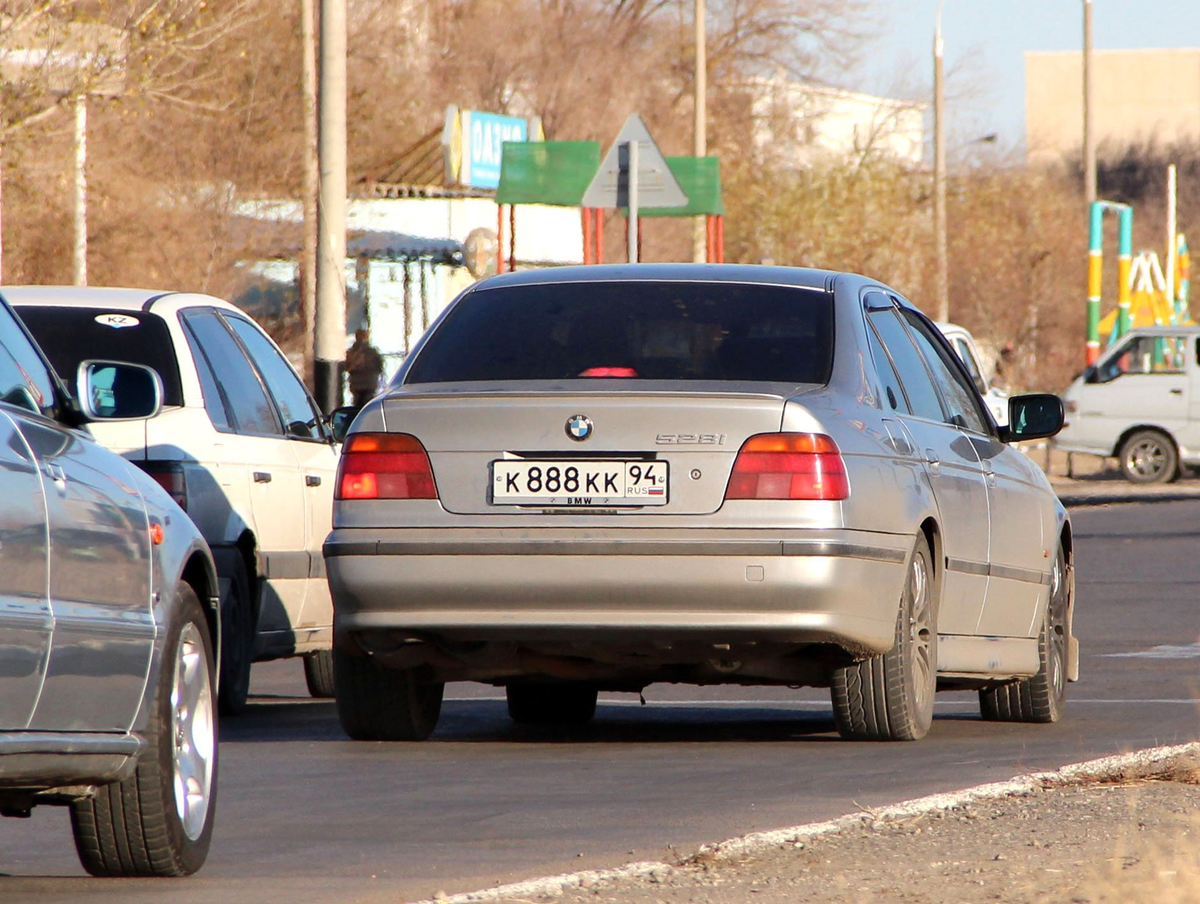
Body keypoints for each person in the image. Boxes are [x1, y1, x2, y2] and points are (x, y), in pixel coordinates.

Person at [345, 328, 384, 407]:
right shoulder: (372, 352)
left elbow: (347, 367)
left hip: (357, 385)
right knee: (368, 405)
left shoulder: (351, 352)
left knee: (357, 405)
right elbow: (379, 367)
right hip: (369, 384)